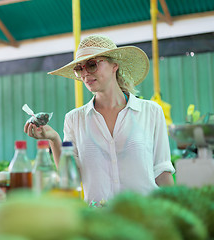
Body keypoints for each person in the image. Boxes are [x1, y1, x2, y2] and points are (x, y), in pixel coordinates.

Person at [24, 34, 175, 204]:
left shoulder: (151, 111)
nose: (85, 73)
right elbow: (71, 178)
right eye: (79, 68)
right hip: (99, 221)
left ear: (114, 66)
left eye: (92, 64)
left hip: (146, 219)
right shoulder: (74, 119)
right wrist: (54, 139)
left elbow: (162, 173)